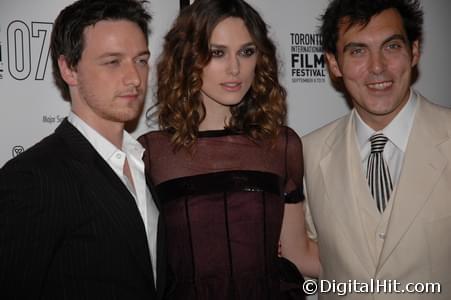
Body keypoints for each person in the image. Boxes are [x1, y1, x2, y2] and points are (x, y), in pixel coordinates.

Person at [138, 0, 320, 299]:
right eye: (217, 53)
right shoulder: (153, 153)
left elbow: (298, 253)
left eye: (246, 52)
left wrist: (389, 276)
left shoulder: (281, 145)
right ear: (188, 58)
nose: (235, 68)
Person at [0, 0, 167, 299]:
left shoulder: (144, 162)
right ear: (69, 69)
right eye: (113, 61)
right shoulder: (31, 178)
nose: (134, 78)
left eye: (141, 60)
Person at [303, 0, 451, 299]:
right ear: (334, 64)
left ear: (414, 51)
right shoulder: (307, 152)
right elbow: (309, 255)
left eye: (391, 46)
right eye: (357, 51)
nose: (377, 67)